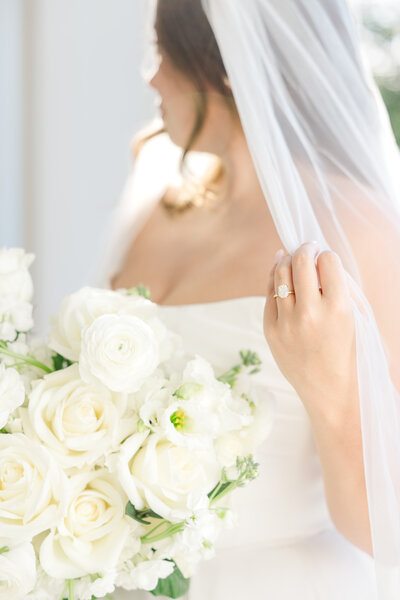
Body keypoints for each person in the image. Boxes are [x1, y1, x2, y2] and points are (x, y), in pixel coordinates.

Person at [101, 0, 400, 598]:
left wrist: (326, 388)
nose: (151, 77)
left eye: (162, 54)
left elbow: (388, 525)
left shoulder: (359, 232)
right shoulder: (158, 183)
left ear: (228, 66)